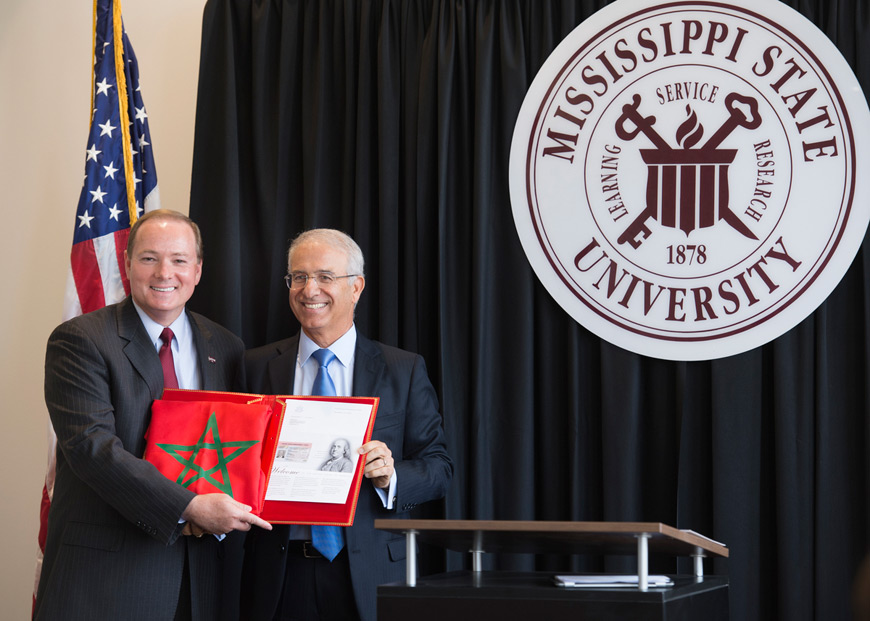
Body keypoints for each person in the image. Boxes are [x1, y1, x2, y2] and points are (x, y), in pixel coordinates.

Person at [34, 209, 271, 621]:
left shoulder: (227, 346)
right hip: (108, 580)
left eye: (179, 260)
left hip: (202, 581)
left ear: (197, 270)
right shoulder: (80, 340)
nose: (165, 272)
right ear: (127, 265)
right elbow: (93, 449)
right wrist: (190, 507)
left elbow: (239, 445)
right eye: (149, 258)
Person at [241, 229, 453, 621]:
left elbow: (438, 468)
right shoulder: (255, 367)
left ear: (356, 287)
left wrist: (390, 476)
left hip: (372, 572)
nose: (309, 290)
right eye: (298, 277)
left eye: (325, 277)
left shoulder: (402, 369)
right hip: (278, 571)